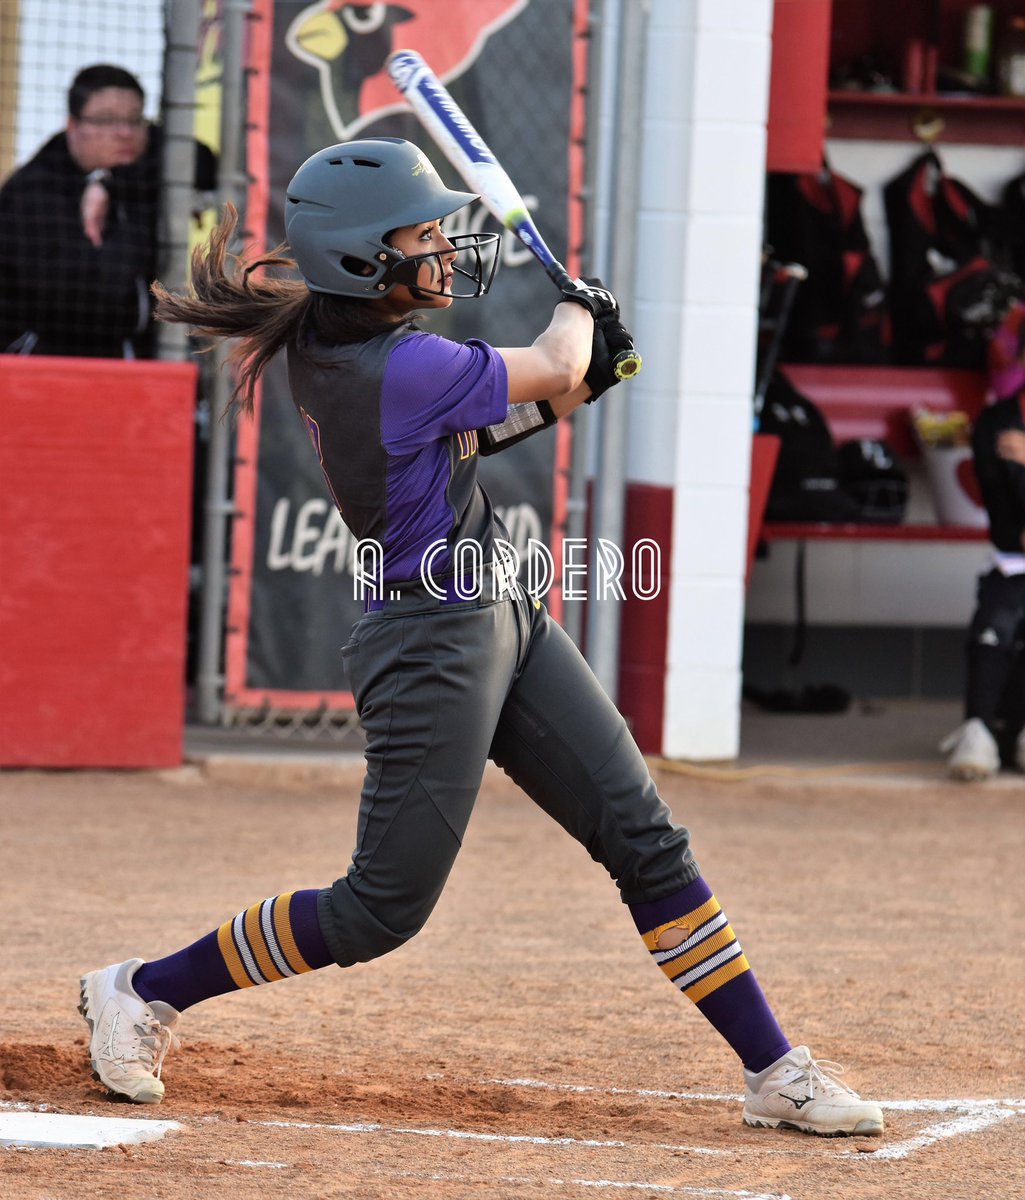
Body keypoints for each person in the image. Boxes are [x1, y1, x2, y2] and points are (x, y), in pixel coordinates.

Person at [77, 137, 884, 1138]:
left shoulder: (365, 352)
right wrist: (577, 317)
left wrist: (579, 375)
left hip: (499, 600)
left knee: (642, 836)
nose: (443, 251)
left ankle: (773, 1067)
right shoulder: (397, 362)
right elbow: (548, 363)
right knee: (380, 909)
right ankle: (140, 989)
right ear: (361, 262)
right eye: (420, 238)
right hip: (428, 638)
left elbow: (499, 417)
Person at [0, 63, 216, 358]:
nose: (124, 133)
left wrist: (111, 186)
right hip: (43, 363)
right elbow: (88, 303)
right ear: (73, 126)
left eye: (135, 119)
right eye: (106, 120)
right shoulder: (31, 195)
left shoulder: (133, 164)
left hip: (131, 355)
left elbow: (202, 160)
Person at [941, 300, 1025, 780]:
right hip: (1011, 559)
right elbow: (1005, 511)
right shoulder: (998, 422)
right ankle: (978, 732)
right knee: (996, 619)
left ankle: (1016, 731)